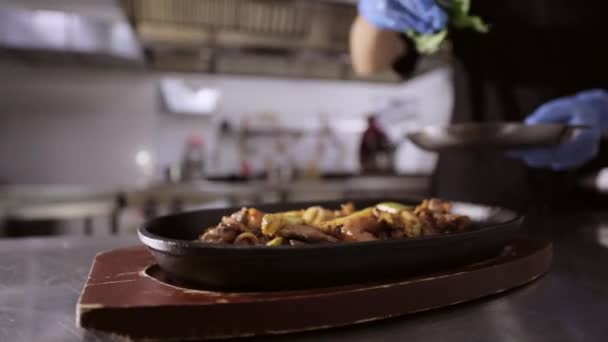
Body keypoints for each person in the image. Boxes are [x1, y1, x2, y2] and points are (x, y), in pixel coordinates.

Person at [350, 0, 608, 210]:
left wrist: (603, 112)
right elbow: (368, 61)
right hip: (472, 193)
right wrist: (376, 12)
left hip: (594, 186)